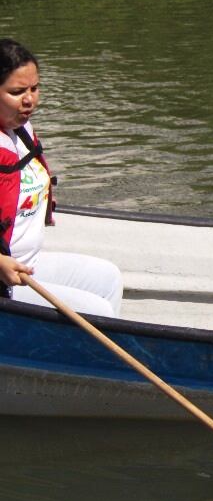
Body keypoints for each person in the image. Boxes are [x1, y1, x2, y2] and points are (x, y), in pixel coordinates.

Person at [0, 39, 123, 316]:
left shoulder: (18, 132)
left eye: (34, 88)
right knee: (96, 310)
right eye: (17, 91)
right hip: (4, 278)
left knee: (108, 278)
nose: (30, 99)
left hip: (25, 264)